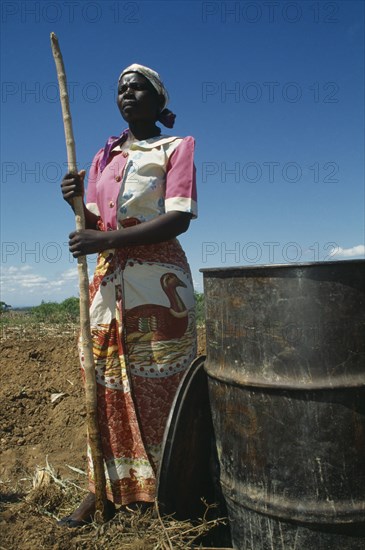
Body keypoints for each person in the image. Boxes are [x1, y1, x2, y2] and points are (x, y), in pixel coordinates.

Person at [58, 64, 197, 526]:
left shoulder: (175, 148)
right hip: (107, 286)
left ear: (159, 100)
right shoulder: (103, 157)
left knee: (159, 382)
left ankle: (170, 489)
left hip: (158, 285)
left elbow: (179, 218)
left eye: (139, 87)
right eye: (121, 88)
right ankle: (105, 490)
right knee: (102, 382)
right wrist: (75, 202)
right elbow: (95, 227)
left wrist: (106, 241)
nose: (128, 93)